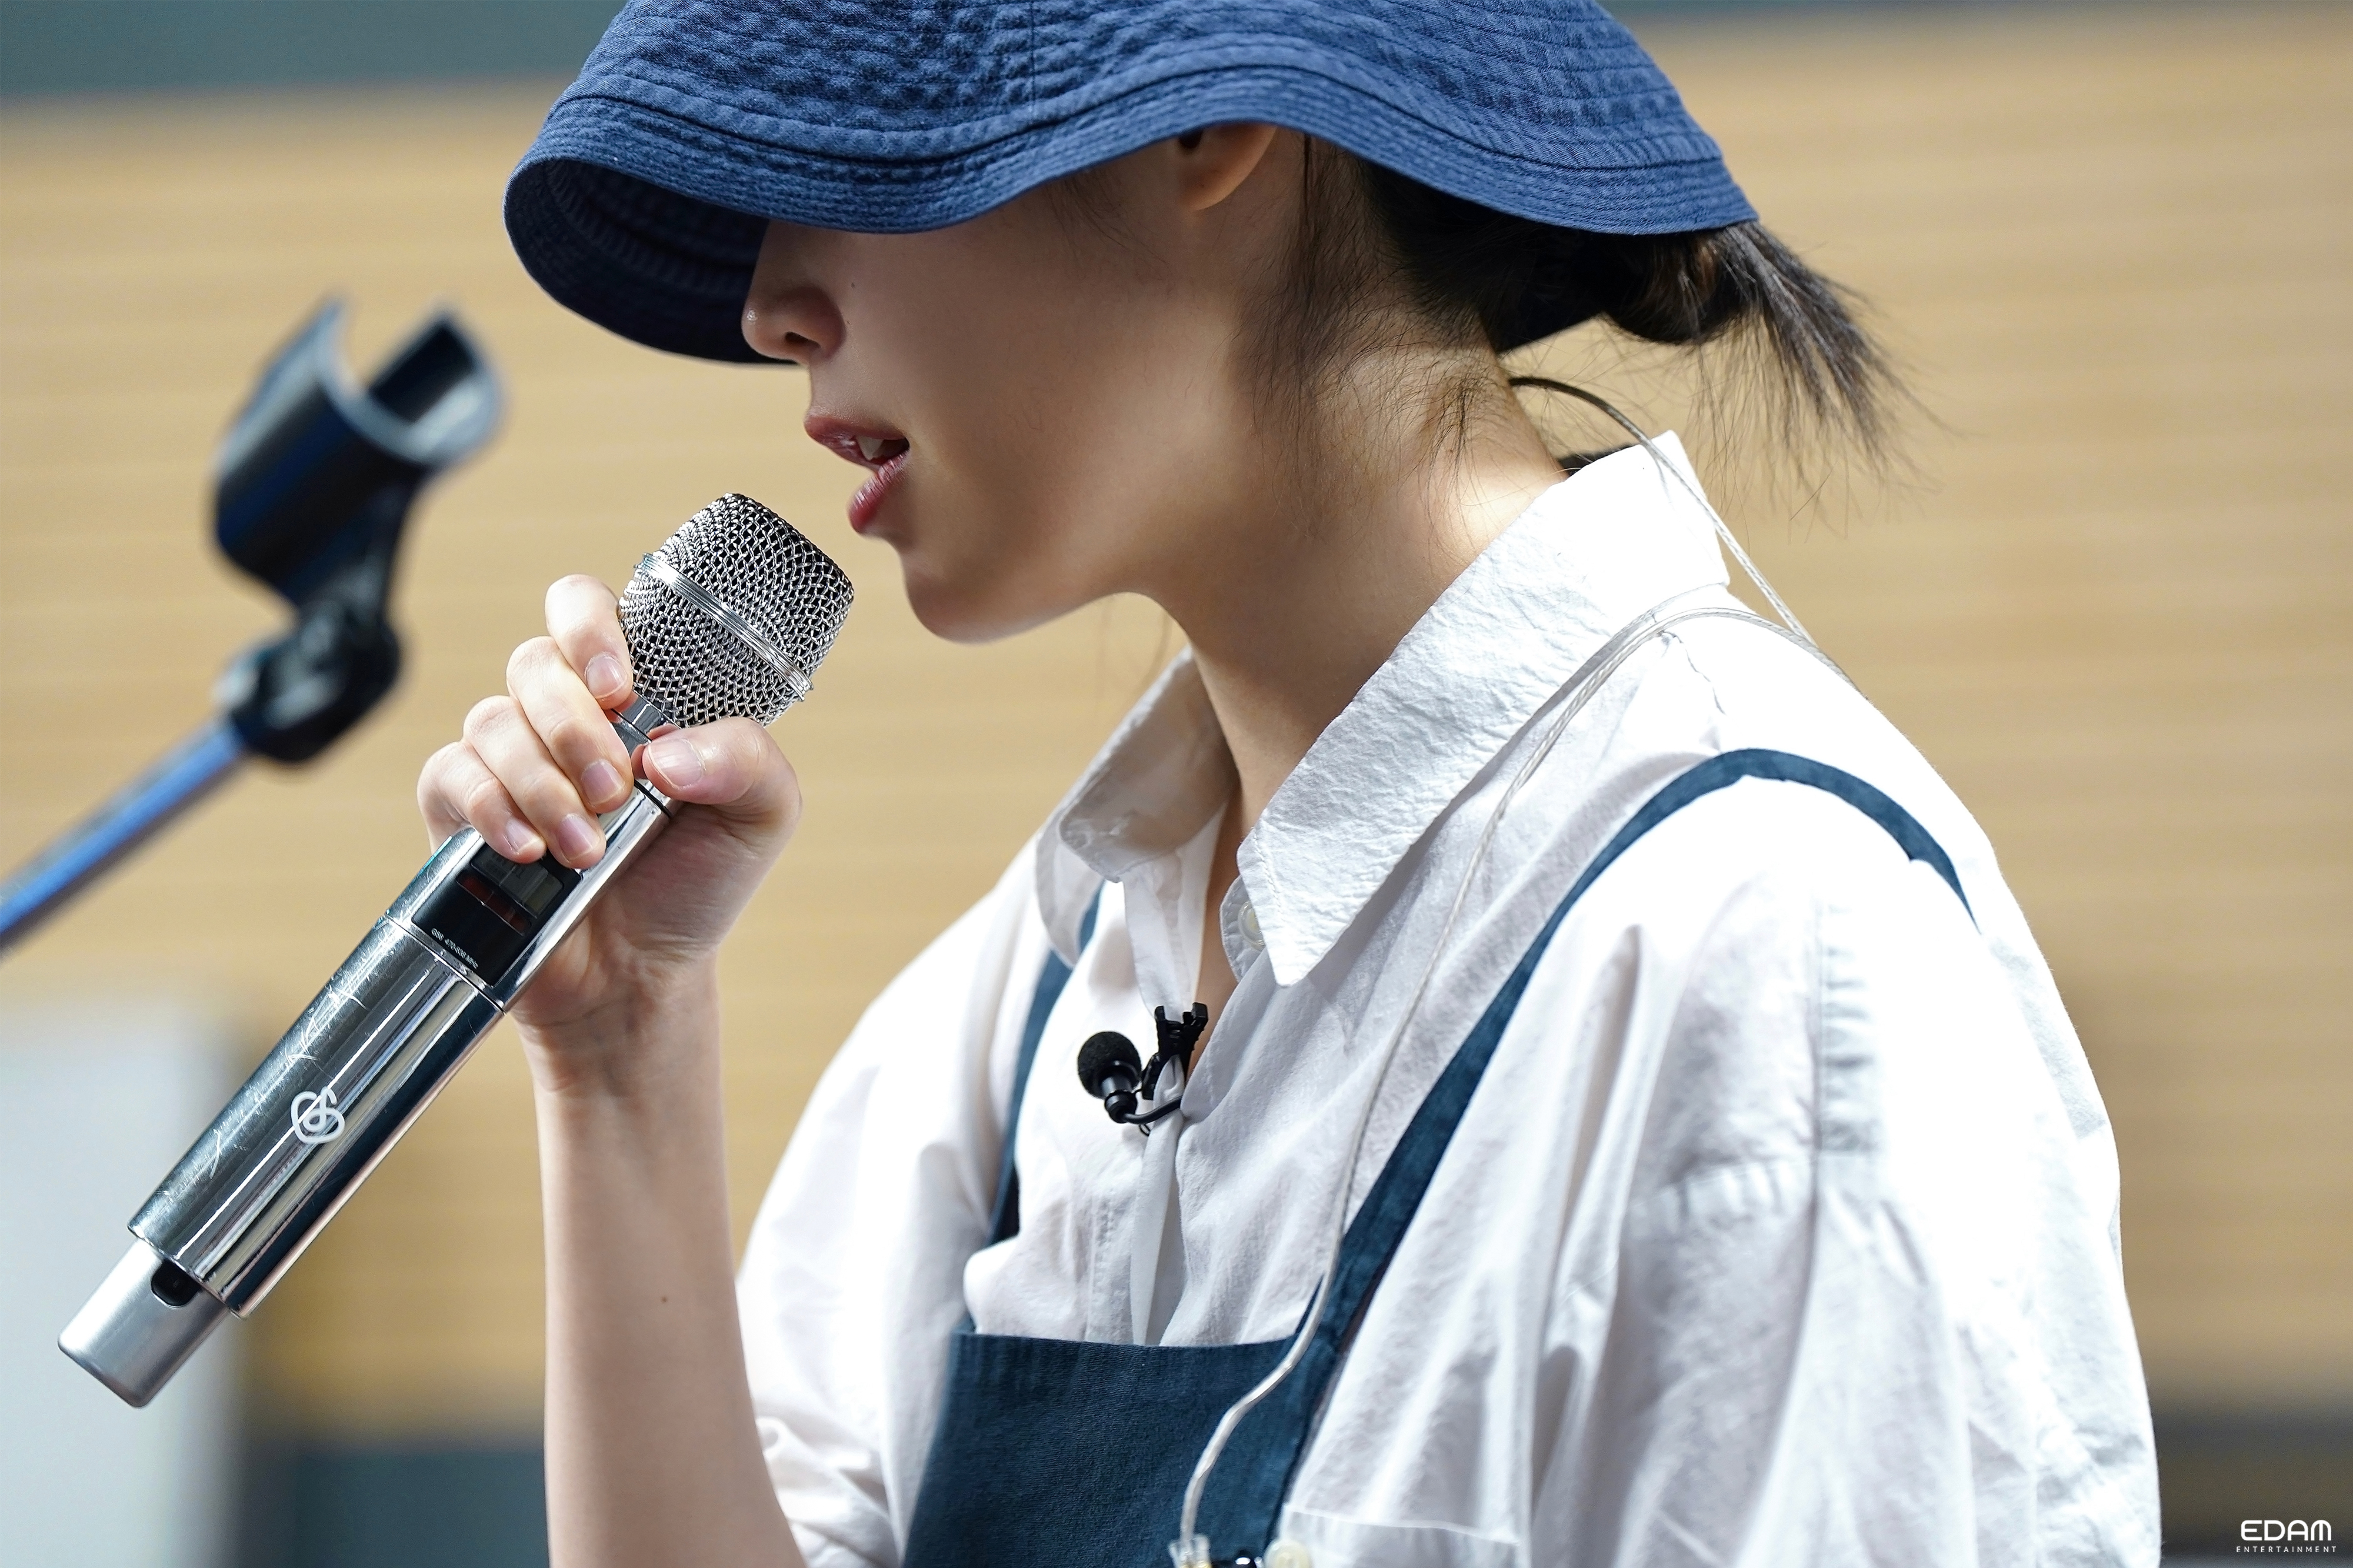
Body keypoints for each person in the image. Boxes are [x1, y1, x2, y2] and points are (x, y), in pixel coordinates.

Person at [426, 2, 2161, 1563]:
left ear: (1210, 128)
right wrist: (619, 1054)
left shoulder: (1765, 949)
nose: (763, 306)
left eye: (855, 145)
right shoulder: (1027, 997)